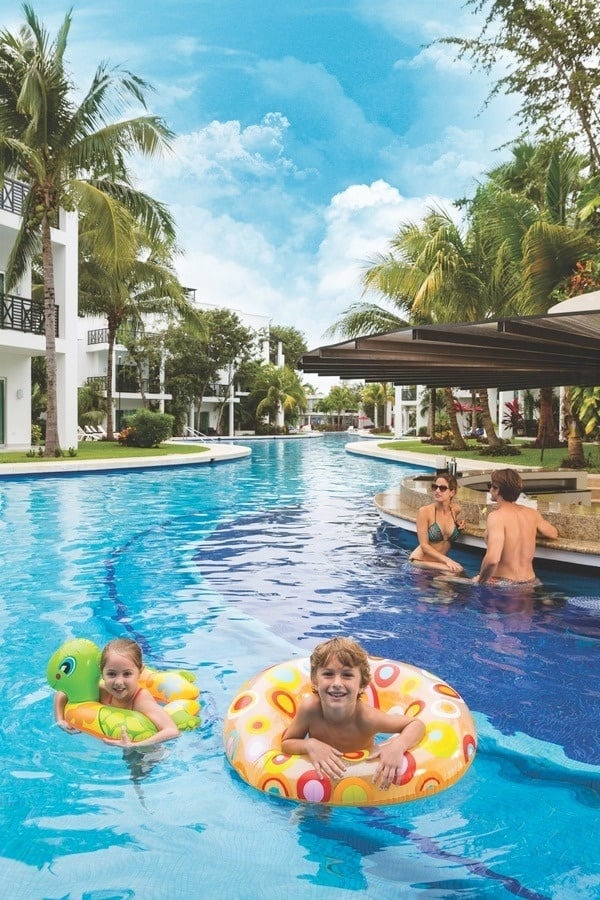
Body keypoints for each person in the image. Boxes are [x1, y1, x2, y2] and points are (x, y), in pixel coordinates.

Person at [281, 637, 425, 790]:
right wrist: (310, 745)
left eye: (347, 675)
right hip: (323, 778)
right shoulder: (311, 709)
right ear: (315, 680)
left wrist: (397, 746)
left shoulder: (367, 718)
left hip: (364, 777)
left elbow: (416, 724)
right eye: (328, 674)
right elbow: (287, 744)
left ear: (362, 684)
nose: (337, 683)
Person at [53, 637, 180, 747]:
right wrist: (60, 719)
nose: (119, 682)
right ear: (101, 672)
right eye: (112, 674)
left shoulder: (141, 700)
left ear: (140, 671)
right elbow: (63, 693)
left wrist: (134, 745)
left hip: (146, 746)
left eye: (127, 674)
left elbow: (172, 731)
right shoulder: (102, 690)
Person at [473, 469, 558, 586]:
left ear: (497, 489)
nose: (490, 489)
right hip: (530, 582)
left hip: (504, 584)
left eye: (490, 485)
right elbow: (553, 533)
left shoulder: (497, 517)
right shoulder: (532, 514)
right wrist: (532, 531)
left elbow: (493, 559)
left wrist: (480, 581)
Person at [408, 472, 467, 574]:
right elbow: (424, 546)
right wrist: (447, 560)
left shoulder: (456, 510)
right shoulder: (425, 512)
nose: (437, 491)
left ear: (452, 492)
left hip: (439, 562)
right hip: (419, 562)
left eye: (442, 488)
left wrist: (461, 523)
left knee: (450, 578)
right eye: (435, 487)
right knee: (457, 570)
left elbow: (456, 522)